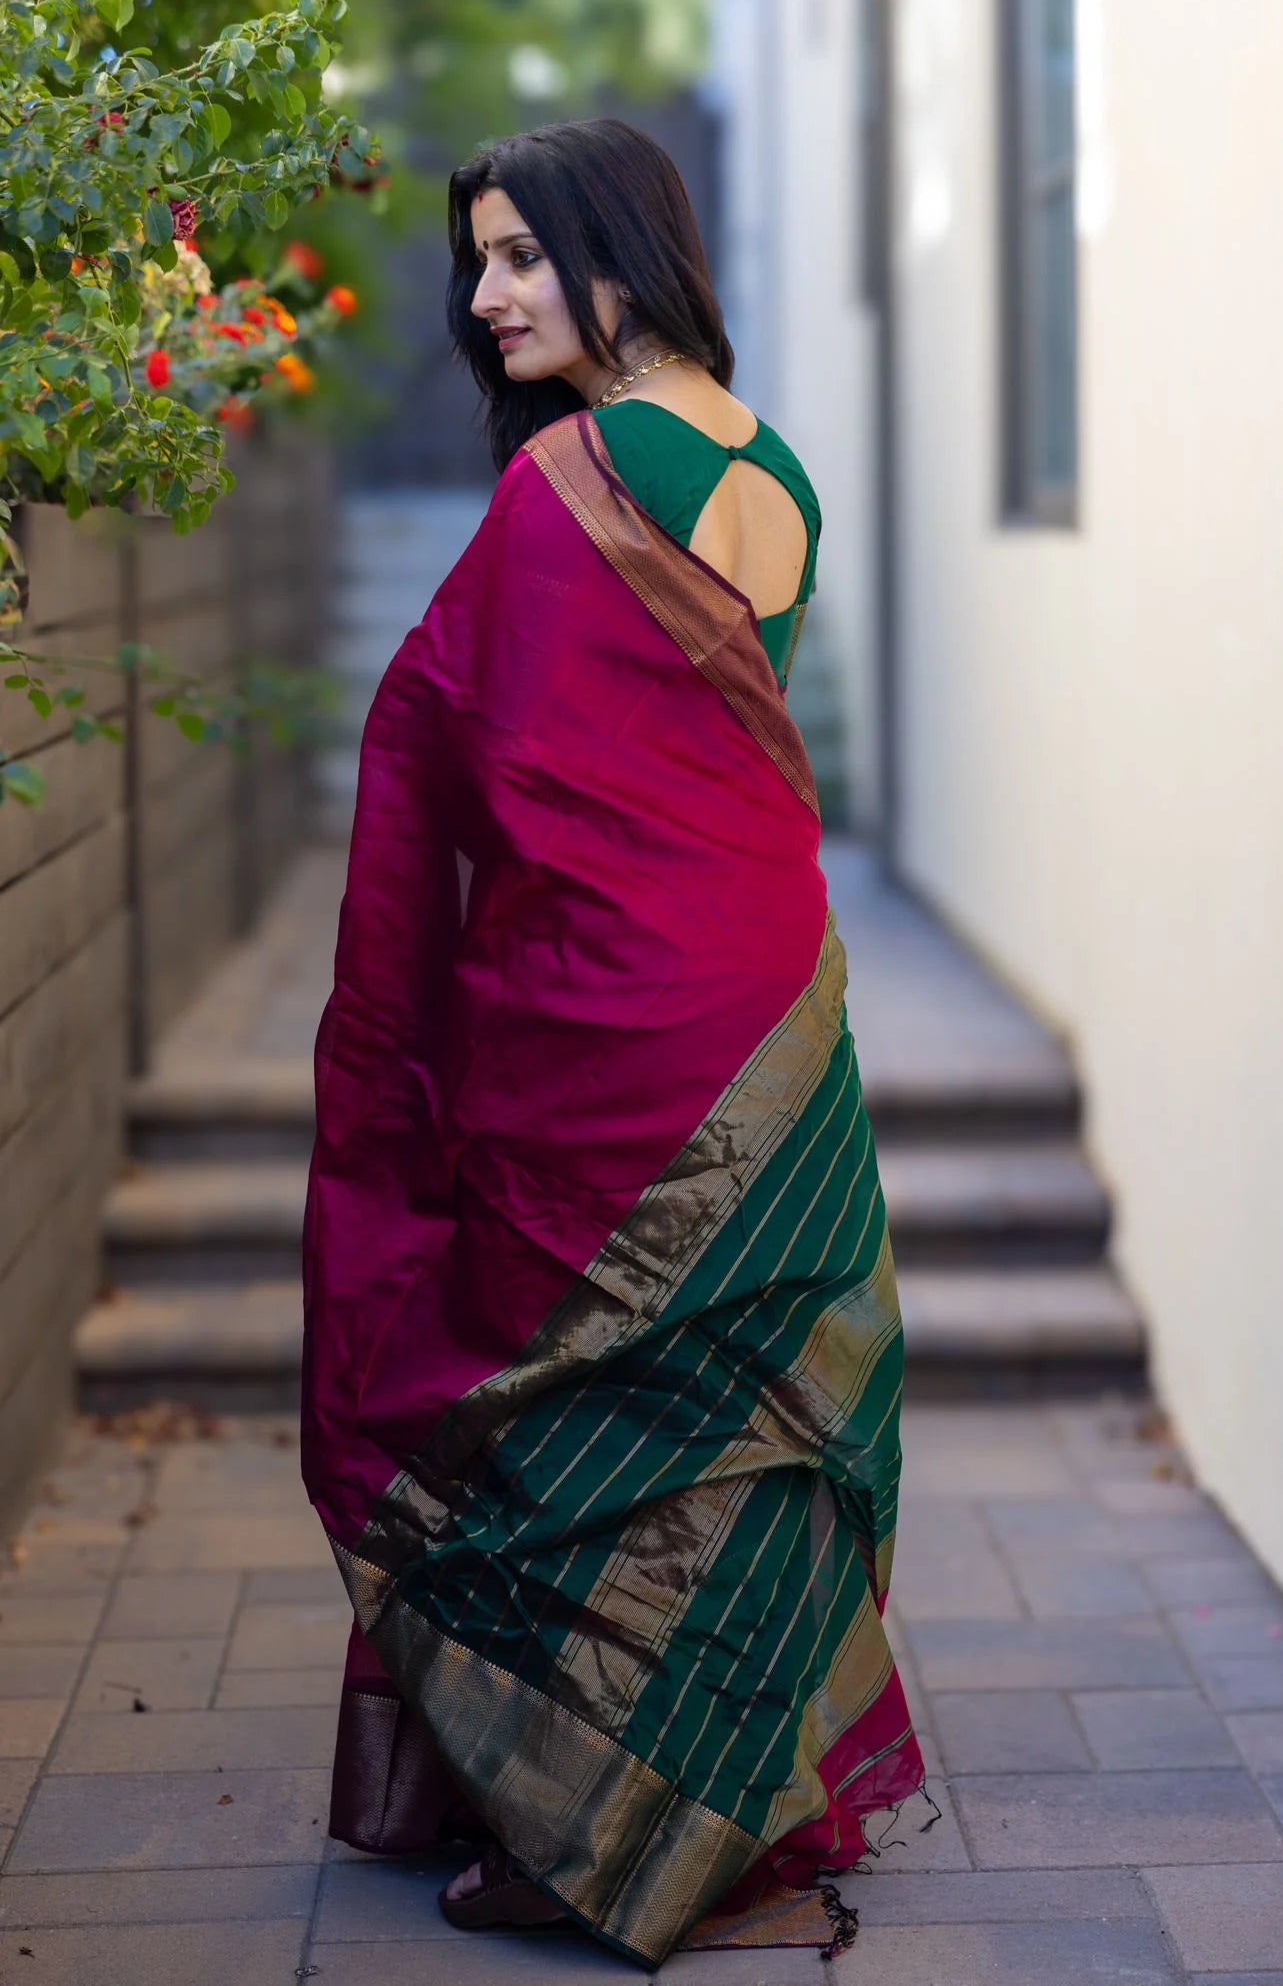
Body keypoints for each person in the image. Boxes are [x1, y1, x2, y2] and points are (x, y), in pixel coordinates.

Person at [300, 116, 925, 1972]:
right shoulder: (775, 464)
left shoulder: (577, 475)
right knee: (739, 1408)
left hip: (610, 1017)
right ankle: (729, 1802)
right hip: (771, 994)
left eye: (512, 258)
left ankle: (601, 1847)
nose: (480, 298)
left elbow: (476, 750)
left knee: (576, 1399)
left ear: (617, 259)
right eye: (472, 263)